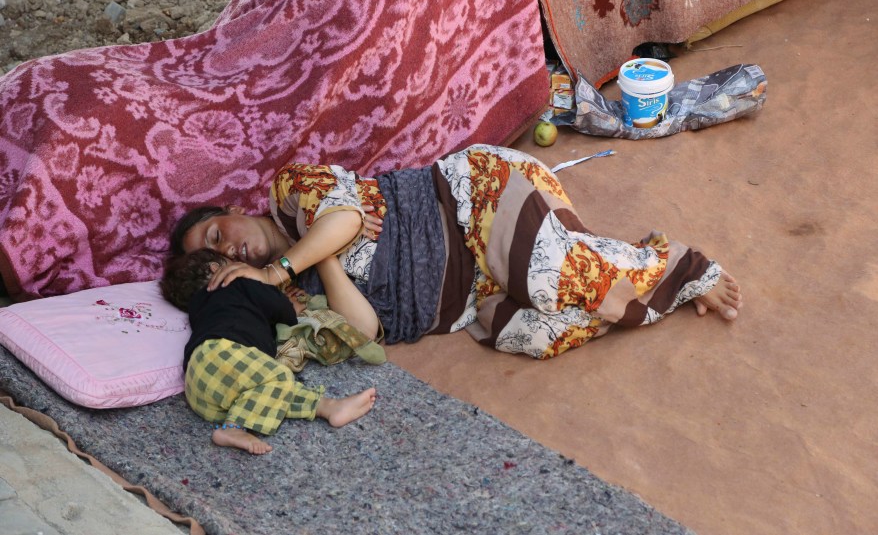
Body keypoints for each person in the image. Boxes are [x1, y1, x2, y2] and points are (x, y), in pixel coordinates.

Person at [170, 144, 743, 360]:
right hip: (472, 299)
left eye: (218, 233)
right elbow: (366, 331)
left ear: (234, 211)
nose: (232, 249)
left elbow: (342, 216)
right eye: (221, 261)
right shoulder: (291, 293)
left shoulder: (290, 193)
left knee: (548, 276)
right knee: (529, 334)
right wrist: (323, 260)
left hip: (474, 200)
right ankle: (623, 262)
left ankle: (680, 265)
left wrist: (284, 260)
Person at [160, 247, 379, 455]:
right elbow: (276, 305)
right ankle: (233, 428)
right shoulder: (238, 284)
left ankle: (328, 407)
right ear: (217, 268)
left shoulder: (200, 307)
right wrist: (291, 308)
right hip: (221, 351)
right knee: (279, 376)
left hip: (199, 384)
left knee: (269, 393)